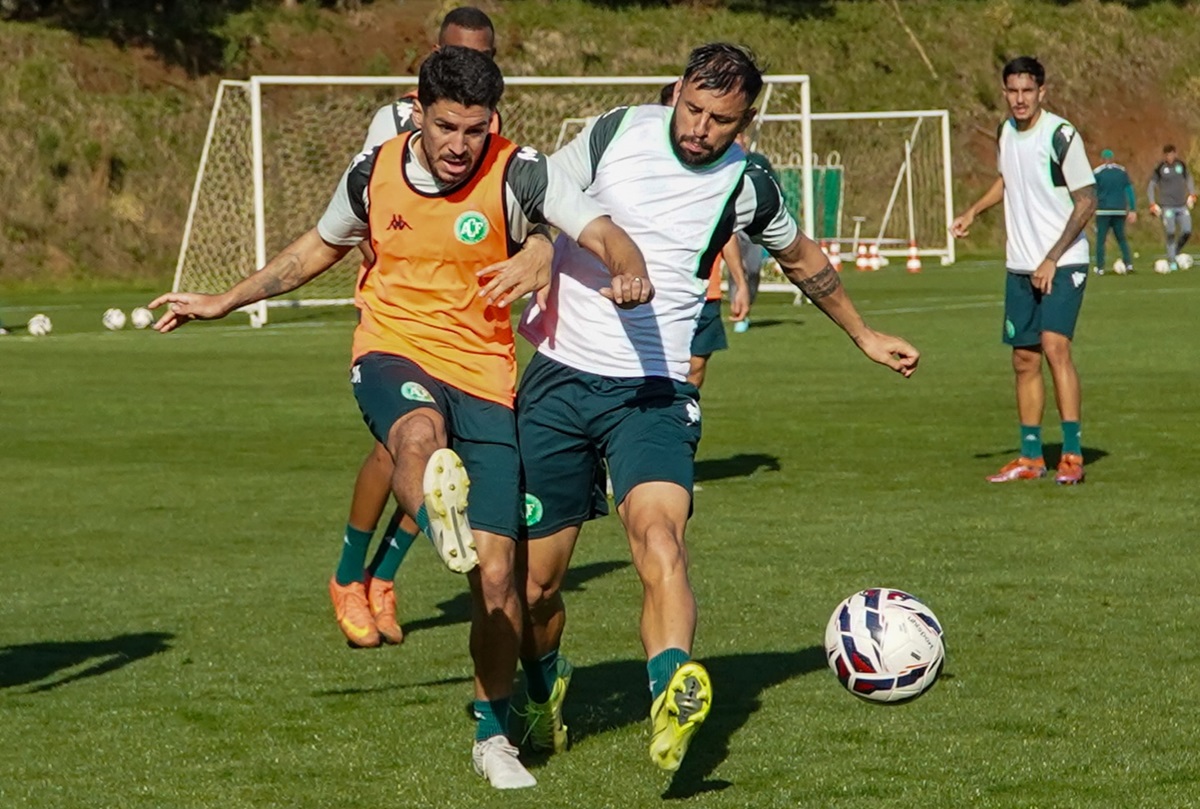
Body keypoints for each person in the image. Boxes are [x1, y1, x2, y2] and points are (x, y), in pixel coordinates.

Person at [148, 46, 652, 790]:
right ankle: (443, 540)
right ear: (416, 112)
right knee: (417, 435)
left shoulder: (520, 171)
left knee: (503, 578)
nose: (458, 144)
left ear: (493, 122)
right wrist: (225, 299)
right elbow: (317, 247)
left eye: (474, 130)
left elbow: (599, 228)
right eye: (446, 126)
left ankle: (502, 715)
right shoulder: (372, 171)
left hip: (485, 376)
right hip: (391, 350)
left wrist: (624, 264)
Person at [514, 43, 919, 773]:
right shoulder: (615, 130)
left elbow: (803, 260)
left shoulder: (748, 183)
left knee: (660, 538)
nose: (699, 128)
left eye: (720, 119)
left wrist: (863, 333)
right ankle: (543, 687)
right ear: (676, 91)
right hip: (560, 381)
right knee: (537, 585)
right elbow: (546, 190)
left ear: (746, 122)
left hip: (657, 391)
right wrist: (546, 248)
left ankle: (671, 692)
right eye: (693, 109)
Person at [330, 5, 555, 650]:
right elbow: (365, 200)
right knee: (405, 446)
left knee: (441, 466)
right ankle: (351, 576)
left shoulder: (490, 128)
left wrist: (535, 246)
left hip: (473, 328)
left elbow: (522, 207)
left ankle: (384, 575)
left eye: (485, 56)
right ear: (434, 54)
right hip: (402, 314)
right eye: (462, 53)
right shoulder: (395, 121)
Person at [951, 56, 1096, 485]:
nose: (1019, 99)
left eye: (1027, 91)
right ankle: (1031, 457)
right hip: (1020, 264)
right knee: (1023, 359)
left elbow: (1086, 199)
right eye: (1012, 91)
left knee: (1055, 347)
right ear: (1004, 92)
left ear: (1042, 92)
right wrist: (973, 211)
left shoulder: (1060, 135)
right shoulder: (1005, 132)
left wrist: (1052, 256)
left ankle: (1071, 454)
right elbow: (1007, 178)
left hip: (1063, 261)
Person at [687, 240, 749, 389]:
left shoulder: (716, 215)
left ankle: (683, 409)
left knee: (696, 368)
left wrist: (741, 285)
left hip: (707, 295)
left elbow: (728, 238)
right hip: (665, 296)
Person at [1147, 143, 1196, 272]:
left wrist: (1192, 194)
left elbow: (1189, 178)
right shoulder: (1160, 168)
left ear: (1175, 153)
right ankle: (1172, 261)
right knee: (1170, 232)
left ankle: (1175, 250)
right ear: (1165, 155)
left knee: (1187, 230)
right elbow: (1151, 185)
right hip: (1167, 206)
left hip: (1181, 205)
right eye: (1167, 154)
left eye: (1172, 154)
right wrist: (1152, 203)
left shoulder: (1181, 165)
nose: (1170, 157)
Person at [1092, 148, 1136, 275]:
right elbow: (1129, 190)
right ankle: (1129, 264)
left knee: (1101, 240)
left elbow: (1093, 192)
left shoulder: (1097, 172)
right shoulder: (1121, 171)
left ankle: (1100, 268)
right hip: (1119, 209)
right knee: (1121, 238)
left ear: (1102, 159)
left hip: (1103, 210)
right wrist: (1132, 208)